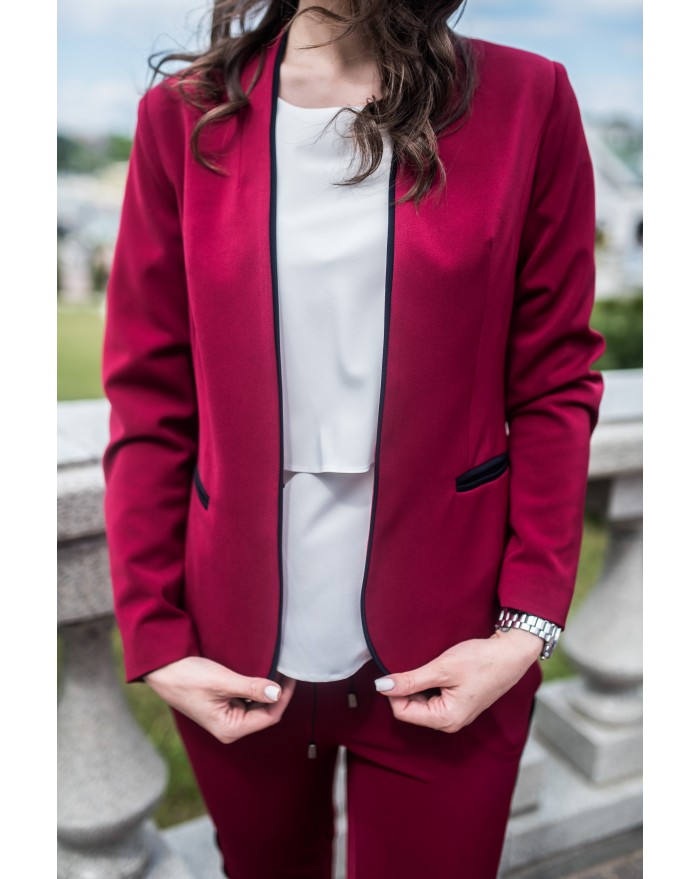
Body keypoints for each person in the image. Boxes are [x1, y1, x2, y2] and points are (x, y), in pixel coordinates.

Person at [101, 2, 606, 877]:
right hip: (232, 642)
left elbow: (554, 381)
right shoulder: (182, 117)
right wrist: (154, 635)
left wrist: (526, 627)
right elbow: (150, 397)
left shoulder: (529, 100)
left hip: (456, 641)